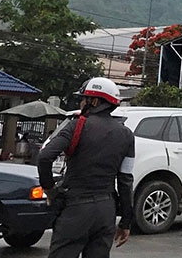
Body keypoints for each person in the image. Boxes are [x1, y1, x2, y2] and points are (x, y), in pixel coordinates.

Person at [37, 77, 135, 258]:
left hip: (76, 210)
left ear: (94, 101)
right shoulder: (127, 134)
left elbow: (44, 157)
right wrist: (126, 222)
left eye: (83, 98)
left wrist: (50, 190)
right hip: (106, 211)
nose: (81, 102)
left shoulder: (76, 126)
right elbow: (125, 180)